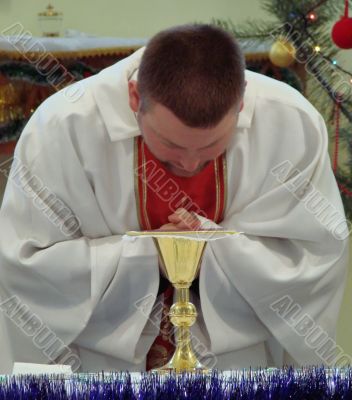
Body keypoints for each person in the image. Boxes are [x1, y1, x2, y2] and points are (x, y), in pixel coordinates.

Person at [0, 24, 349, 374]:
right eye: (172, 148)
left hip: (237, 369)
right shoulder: (62, 128)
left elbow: (314, 259)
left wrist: (212, 248)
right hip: (102, 371)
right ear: (135, 98)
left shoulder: (290, 123)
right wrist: (152, 255)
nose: (189, 163)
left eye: (212, 147)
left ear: (241, 102)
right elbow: (25, 266)